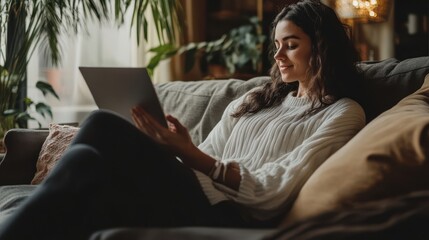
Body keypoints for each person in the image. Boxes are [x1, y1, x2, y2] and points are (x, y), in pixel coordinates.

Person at [0, 0, 365, 239]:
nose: (279, 56)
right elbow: (206, 156)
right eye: (277, 45)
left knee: (102, 126)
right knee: (85, 162)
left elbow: (273, 192)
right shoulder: (257, 99)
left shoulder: (344, 112)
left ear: (320, 45)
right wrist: (174, 148)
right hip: (195, 192)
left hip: (228, 214)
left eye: (291, 44)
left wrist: (189, 155)